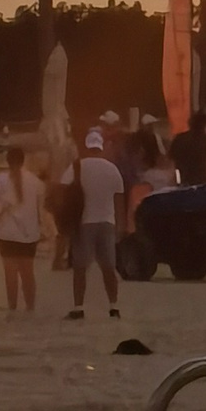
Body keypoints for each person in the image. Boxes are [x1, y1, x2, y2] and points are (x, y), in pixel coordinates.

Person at [71, 129, 125, 320]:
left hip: (84, 222)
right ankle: (113, 306)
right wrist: (121, 226)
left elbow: (61, 189)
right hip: (107, 222)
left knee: (80, 268)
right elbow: (119, 199)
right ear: (101, 148)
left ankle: (78, 307)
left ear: (86, 147)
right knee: (109, 268)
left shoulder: (78, 166)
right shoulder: (112, 169)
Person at [0, 144, 43, 315]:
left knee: (10, 274)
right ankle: (30, 308)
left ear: (7, 161)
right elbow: (40, 206)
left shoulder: (0, 180)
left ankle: (12, 308)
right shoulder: (34, 181)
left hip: (7, 232)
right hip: (29, 233)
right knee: (28, 274)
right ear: (23, 160)